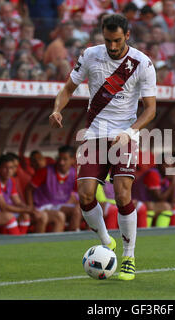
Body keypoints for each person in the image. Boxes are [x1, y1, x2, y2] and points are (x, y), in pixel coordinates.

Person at [49, 14, 157, 281]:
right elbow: (68, 89)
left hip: (124, 135)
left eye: (117, 40)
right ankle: (106, 240)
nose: (111, 46)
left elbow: (151, 109)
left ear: (127, 35)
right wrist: (56, 110)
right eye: (107, 40)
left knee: (122, 195)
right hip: (95, 134)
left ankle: (129, 257)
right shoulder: (90, 55)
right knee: (85, 195)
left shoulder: (142, 63)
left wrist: (130, 132)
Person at [0, 153, 47, 234]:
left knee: (25, 216)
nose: (9, 171)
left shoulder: (11, 180)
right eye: (5, 167)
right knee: (8, 217)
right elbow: (3, 207)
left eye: (11, 168)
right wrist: (27, 210)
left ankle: (23, 243)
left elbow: (18, 202)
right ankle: (13, 243)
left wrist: (31, 210)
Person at [25, 145, 82, 232]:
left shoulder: (74, 173)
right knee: (60, 215)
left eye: (65, 159)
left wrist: (76, 200)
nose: (61, 162)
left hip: (61, 205)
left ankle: (73, 238)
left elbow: (78, 193)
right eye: (59, 158)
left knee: (80, 210)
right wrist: (31, 208)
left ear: (72, 160)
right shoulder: (45, 171)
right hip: (44, 206)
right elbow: (28, 189)